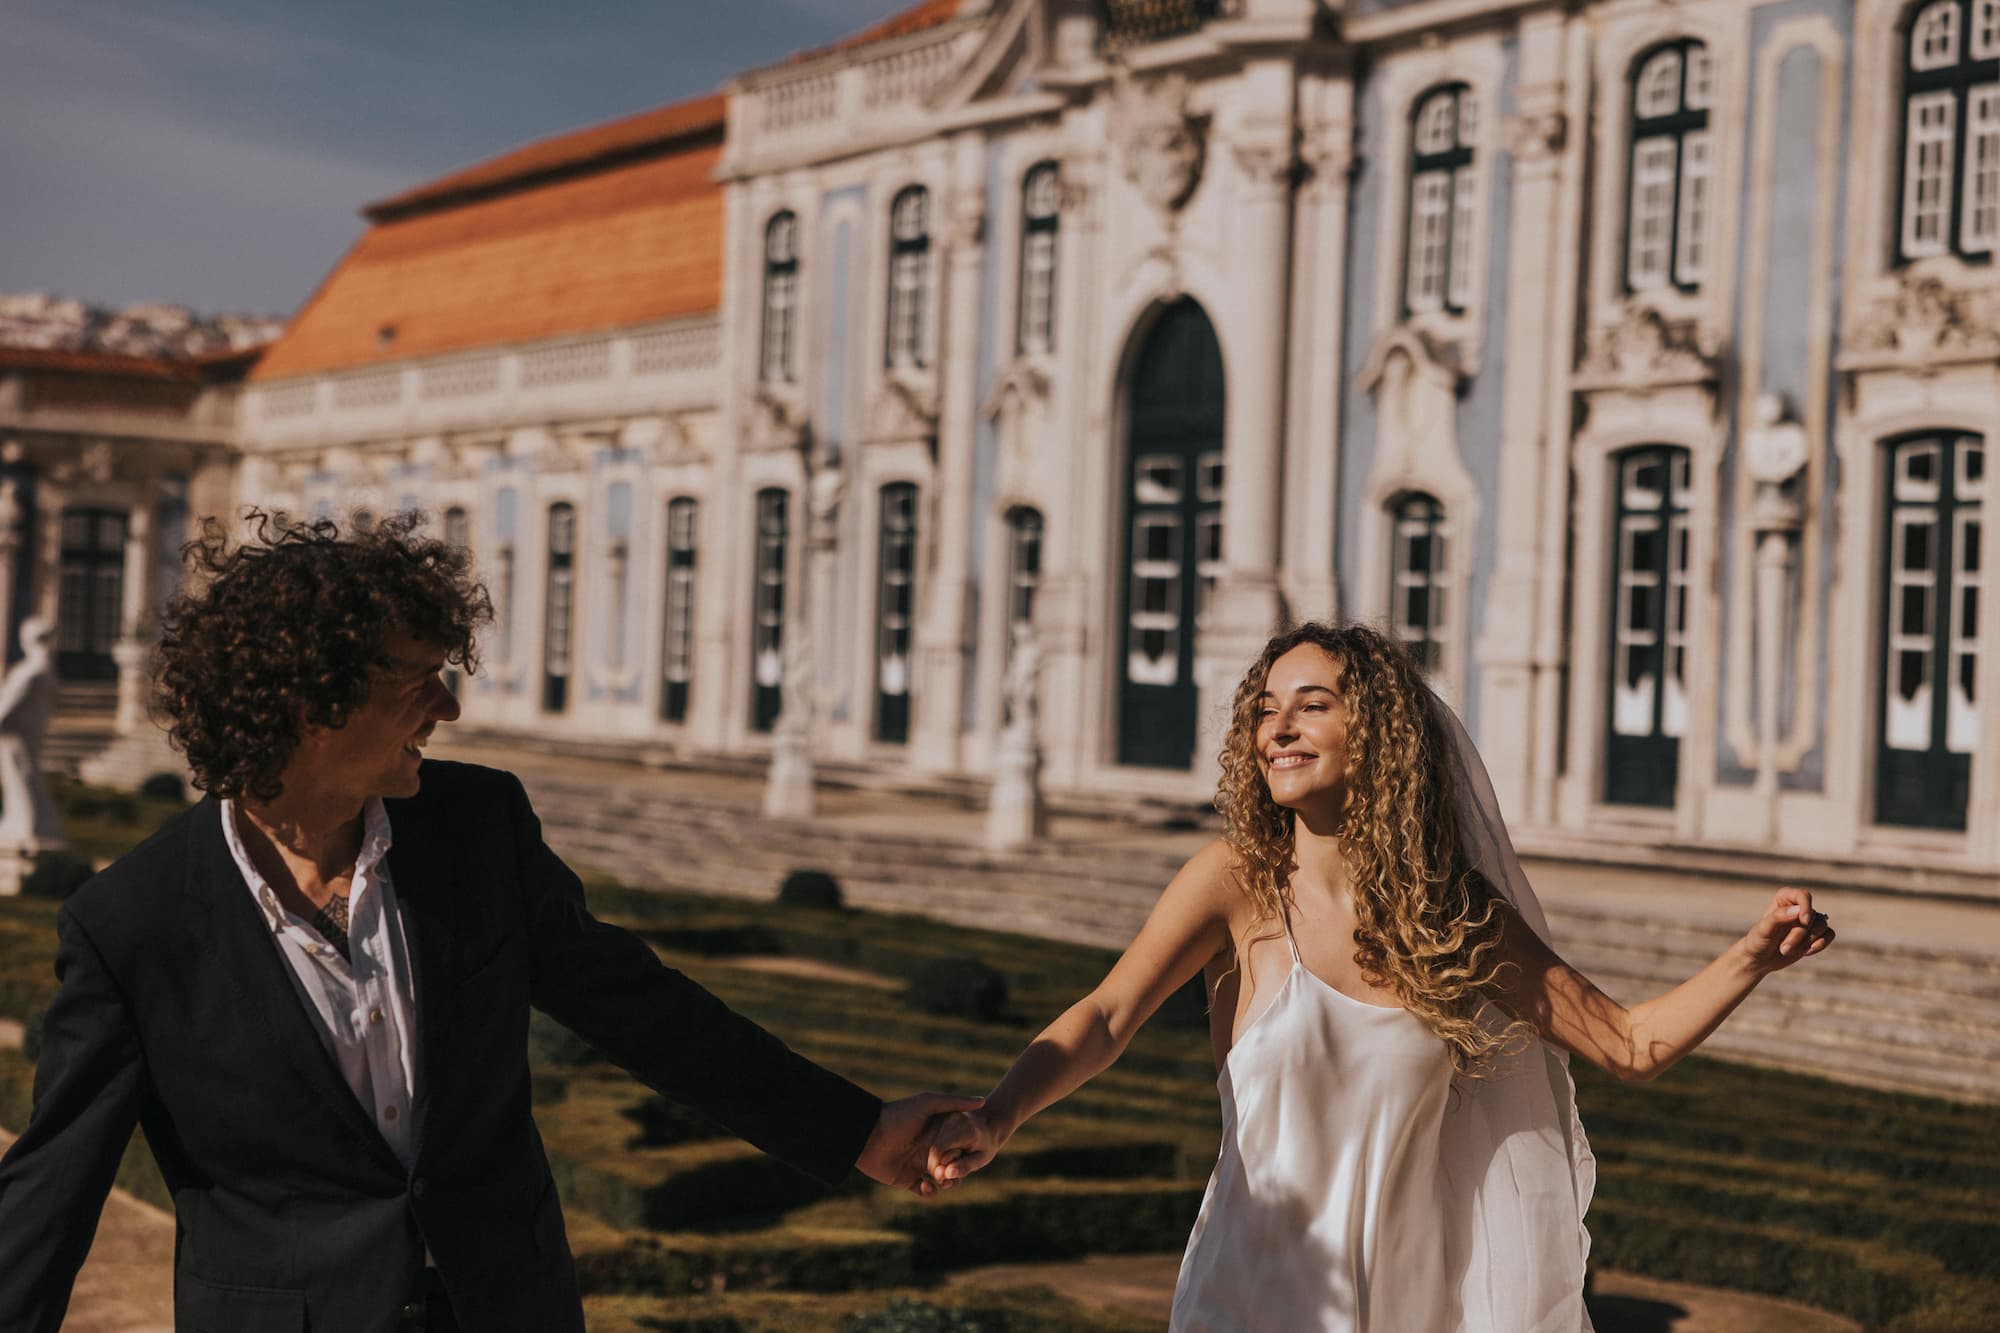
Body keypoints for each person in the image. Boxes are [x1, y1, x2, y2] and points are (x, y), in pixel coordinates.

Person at [0, 512, 978, 1333]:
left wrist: (857, 1129)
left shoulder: (477, 828)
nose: (450, 706)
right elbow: (50, 1192)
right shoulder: (130, 923)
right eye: (417, 679)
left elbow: (646, 1012)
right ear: (310, 701)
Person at [927, 621, 1835, 1332]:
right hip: (1245, 1305)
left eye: (1311, 704)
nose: (1277, 727)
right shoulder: (1234, 884)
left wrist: (1751, 954)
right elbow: (1106, 1015)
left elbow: (1629, 1043)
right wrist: (997, 1112)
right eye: (1266, 707)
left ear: (1378, 734)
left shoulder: (1455, 912)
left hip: (1410, 1309)